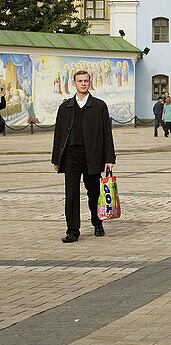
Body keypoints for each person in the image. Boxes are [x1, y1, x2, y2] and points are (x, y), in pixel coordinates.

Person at [51, 69, 116, 243]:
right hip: (71, 155)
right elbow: (58, 135)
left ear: (90, 82)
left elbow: (106, 134)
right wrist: (56, 159)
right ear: (74, 83)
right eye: (80, 81)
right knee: (71, 193)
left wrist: (109, 159)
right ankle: (73, 230)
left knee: (93, 192)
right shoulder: (65, 107)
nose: (83, 84)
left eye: (86, 81)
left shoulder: (99, 106)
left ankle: (97, 222)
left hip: (92, 155)